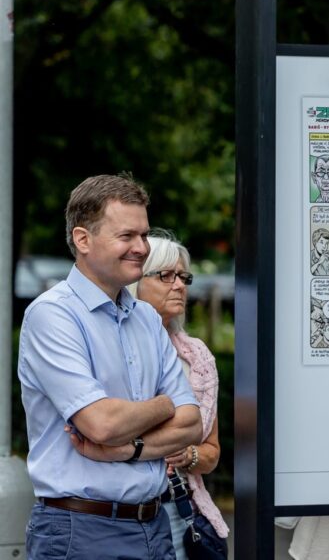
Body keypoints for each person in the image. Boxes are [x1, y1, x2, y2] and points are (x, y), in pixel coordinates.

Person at [18, 174, 202, 559]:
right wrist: (164, 404)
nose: (141, 248)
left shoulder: (147, 319)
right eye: (127, 236)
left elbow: (192, 425)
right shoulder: (53, 315)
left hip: (155, 527)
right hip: (80, 533)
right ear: (83, 240)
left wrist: (128, 450)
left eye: (144, 235)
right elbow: (100, 424)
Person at [128, 231, 230, 559]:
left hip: (177, 509)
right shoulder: (112, 348)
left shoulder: (195, 356)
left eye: (183, 276)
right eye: (166, 275)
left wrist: (191, 457)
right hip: (119, 514)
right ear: (135, 282)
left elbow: (212, 452)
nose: (179, 285)